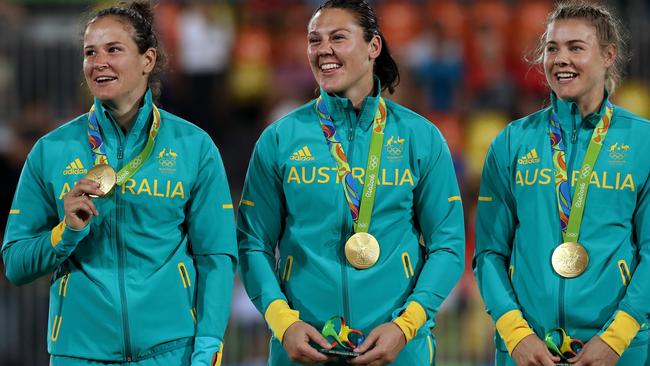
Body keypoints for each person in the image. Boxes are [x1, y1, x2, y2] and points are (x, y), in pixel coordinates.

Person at [1, 1, 237, 365]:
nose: (99, 62)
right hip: (79, 352)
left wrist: (207, 350)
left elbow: (216, 259)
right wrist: (65, 232)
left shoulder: (194, 147)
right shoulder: (51, 151)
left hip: (172, 352)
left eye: (114, 49)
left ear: (147, 60)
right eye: (90, 52)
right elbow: (15, 263)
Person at [236, 0, 465, 364]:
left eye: (338, 38)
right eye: (314, 40)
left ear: (373, 47)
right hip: (303, 347)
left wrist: (406, 326)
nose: (322, 49)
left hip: (398, 349)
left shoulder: (420, 137)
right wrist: (284, 323)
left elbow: (448, 245)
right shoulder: (280, 138)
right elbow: (253, 244)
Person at [474, 1, 649, 365]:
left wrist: (616, 339)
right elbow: (489, 253)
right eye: (552, 48)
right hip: (526, 351)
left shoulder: (643, 142)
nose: (560, 59)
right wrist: (515, 334)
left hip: (618, 351)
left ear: (608, 56)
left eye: (576, 48)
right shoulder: (511, 142)